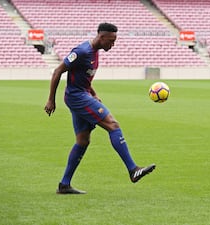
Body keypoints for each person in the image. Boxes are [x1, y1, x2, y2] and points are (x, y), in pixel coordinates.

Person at [44, 23, 156, 194]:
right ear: (101, 37)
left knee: (83, 140)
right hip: (77, 97)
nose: (113, 45)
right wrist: (51, 99)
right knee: (113, 125)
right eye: (111, 41)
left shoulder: (95, 52)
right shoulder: (81, 52)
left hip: (83, 95)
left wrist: (93, 93)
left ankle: (64, 184)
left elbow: (84, 77)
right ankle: (133, 170)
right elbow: (58, 71)